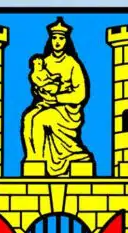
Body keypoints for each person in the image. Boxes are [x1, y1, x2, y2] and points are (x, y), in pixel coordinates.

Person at [21, 17, 93, 176]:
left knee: (40, 120)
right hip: (46, 104)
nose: (58, 41)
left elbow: (80, 93)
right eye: (55, 38)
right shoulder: (43, 62)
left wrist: (57, 99)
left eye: (61, 38)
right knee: (28, 118)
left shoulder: (72, 63)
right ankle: (33, 157)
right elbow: (36, 86)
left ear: (66, 41)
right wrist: (39, 92)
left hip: (66, 111)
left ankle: (39, 160)